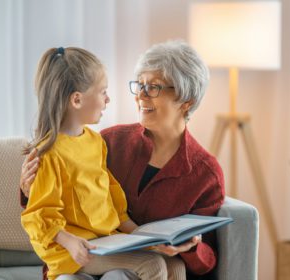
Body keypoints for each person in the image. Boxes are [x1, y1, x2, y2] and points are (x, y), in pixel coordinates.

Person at [21, 41, 225, 279]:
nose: (140, 95)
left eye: (154, 87)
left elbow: (208, 259)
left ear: (186, 101)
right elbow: (51, 198)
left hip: (131, 261)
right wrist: (28, 188)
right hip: (85, 256)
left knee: (137, 273)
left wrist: (190, 247)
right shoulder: (110, 140)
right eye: (140, 85)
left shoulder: (205, 173)